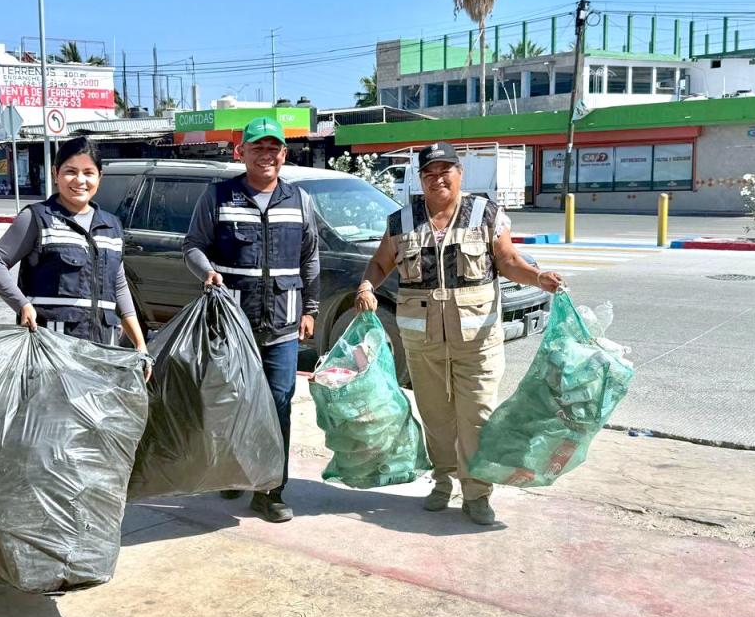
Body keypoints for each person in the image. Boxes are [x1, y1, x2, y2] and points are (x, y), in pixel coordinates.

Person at [355, 142, 562, 525]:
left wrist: (538, 277)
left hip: (477, 343)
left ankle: (477, 493)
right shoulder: (401, 221)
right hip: (423, 344)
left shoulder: (485, 214)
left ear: (459, 173)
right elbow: (380, 263)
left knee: (476, 418)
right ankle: (442, 481)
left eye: (444, 171)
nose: (438, 179)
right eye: (429, 173)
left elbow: (508, 261)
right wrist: (367, 285)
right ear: (420, 179)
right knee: (436, 419)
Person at [182, 116, 320, 523]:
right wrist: (206, 272)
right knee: (232, 402)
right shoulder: (219, 197)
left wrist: (310, 309)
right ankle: (233, 472)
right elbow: (192, 246)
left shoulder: (299, 200)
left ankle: (270, 490)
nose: (266, 155)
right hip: (232, 327)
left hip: (282, 326)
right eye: (258, 147)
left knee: (278, 405)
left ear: (284, 154)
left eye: (274, 148)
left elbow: (310, 257)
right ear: (241, 153)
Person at [0, 136, 149, 374]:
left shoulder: (112, 226)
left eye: (88, 173)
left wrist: (139, 344)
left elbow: (119, 286)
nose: (80, 180)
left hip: (101, 351)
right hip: (51, 353)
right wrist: (22, 305)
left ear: (99, 177)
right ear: (55, 173)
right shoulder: (37, 218)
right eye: (70, 171)